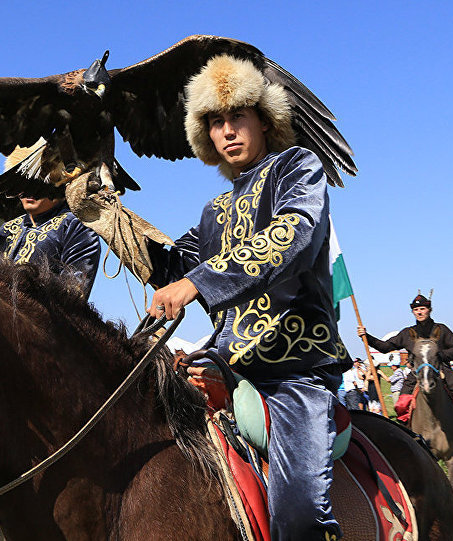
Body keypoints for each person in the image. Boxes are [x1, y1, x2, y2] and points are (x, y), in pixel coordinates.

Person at [146, 54, 350, 540]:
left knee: (299, 513)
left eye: (238, 116)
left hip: (294, 371)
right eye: (215, 122)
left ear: (264, 119)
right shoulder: (213, 210)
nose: (228, 131)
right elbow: (172, 268)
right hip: (223, 361)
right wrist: (107, 217)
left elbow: (292, 237)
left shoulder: (296, 170)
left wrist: (196, 283)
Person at [358, 294, 453, 457]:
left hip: (441, 371)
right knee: (401, 406)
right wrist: (366, 337)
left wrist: (439, 355)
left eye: (423, 309)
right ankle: (407, 442)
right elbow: (385, 347)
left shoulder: (441, 330)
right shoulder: (407, 333)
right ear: (412, 312)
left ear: (429, 310)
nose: (419, 312)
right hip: (415, 375)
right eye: (416, 309)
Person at [0, 195, 101, 299]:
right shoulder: (7, 228)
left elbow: (74, 292)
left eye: (40, 183)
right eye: (22, 182)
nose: (29, 192)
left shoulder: (76, 225)